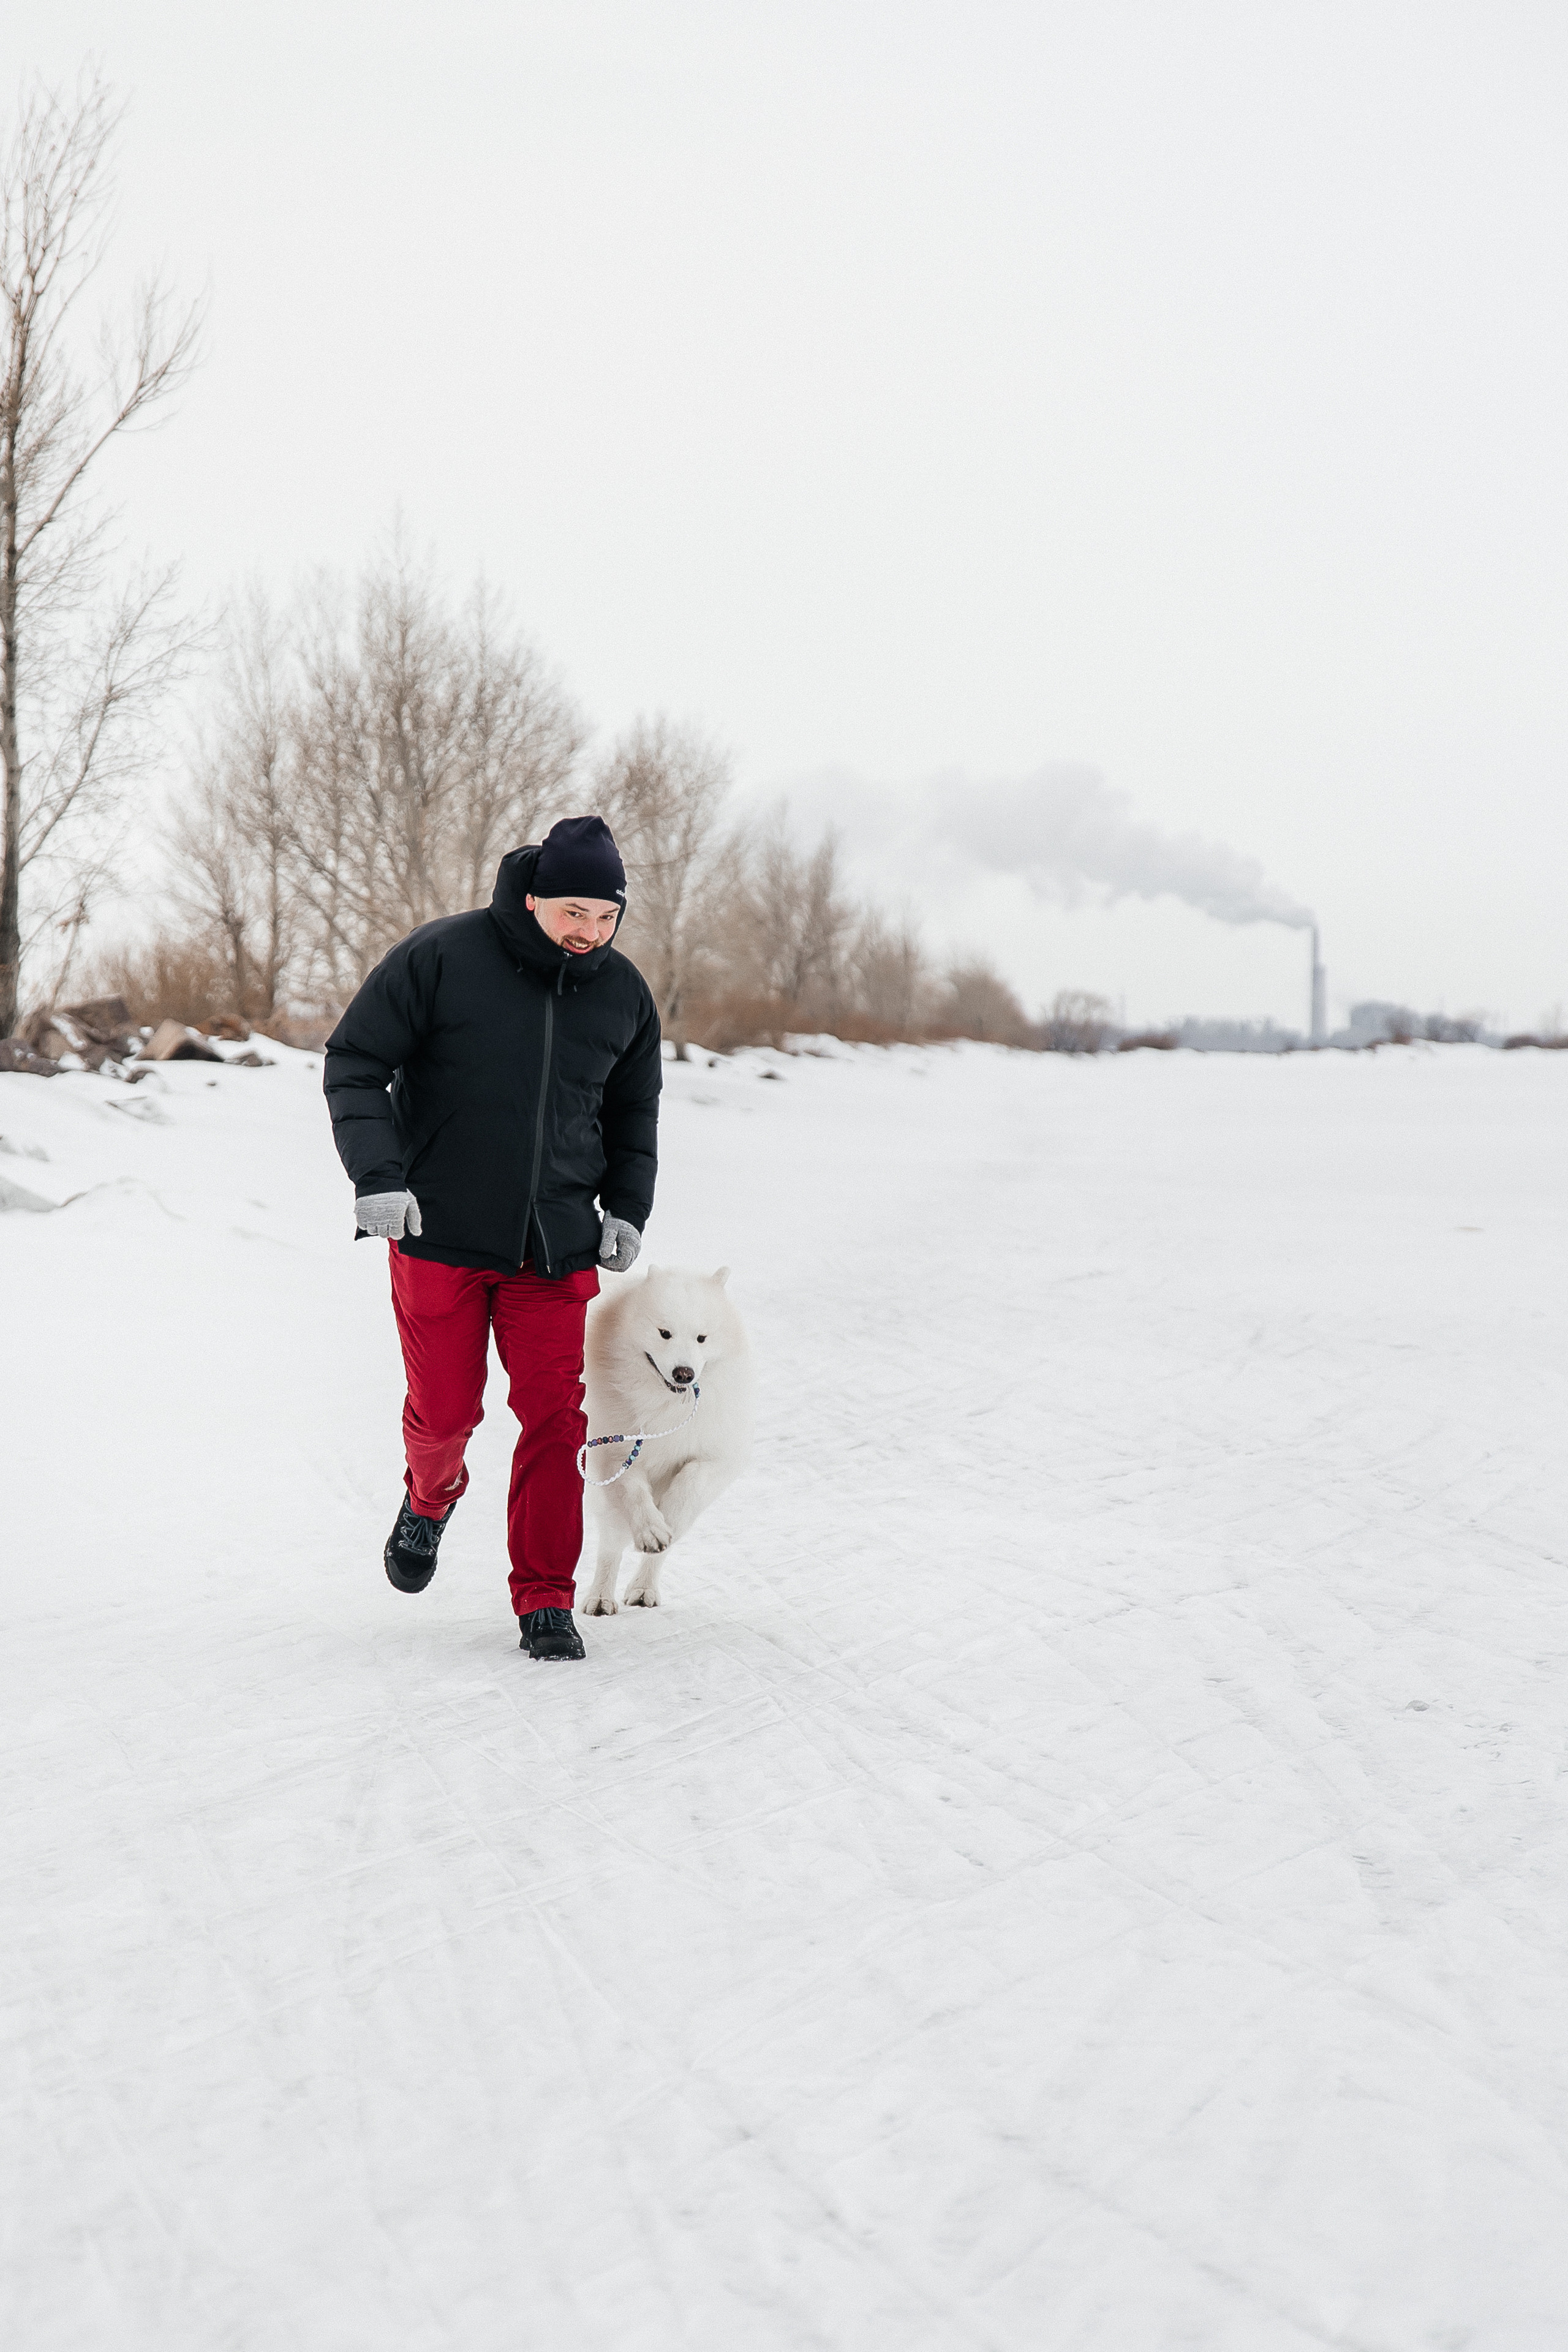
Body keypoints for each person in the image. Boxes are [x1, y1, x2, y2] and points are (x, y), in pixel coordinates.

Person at [323, 815, 661, 1660]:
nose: (590, 932)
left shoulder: (622, 993)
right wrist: (380, 1177)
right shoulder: (443, 957)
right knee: (446, 1414)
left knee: (555, 1419)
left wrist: (626, 1207)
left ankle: (545, 1598)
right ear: (535, 898)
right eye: (575, 912)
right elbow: (356, 1061)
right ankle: (429, 1498)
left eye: (606, 916)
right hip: (438, 1232)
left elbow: (634, 1113)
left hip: (555, 1248)